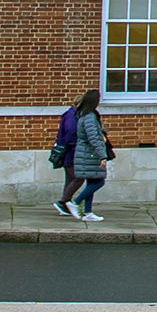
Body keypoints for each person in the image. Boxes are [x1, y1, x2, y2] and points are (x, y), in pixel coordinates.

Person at [63, 90, 113, 222]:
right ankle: (75, 203)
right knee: (99, 182)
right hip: (90, 154)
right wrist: (103, 156)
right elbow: (93, 139)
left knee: (92, 181)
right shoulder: (90, 116)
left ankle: (88, 212)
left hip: (88, 153)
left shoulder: (84, 115)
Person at [52, 100, 83, 214]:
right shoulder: (72, 115)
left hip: (68, 149)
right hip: (70, 150)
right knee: (78, 177)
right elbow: (70, 131)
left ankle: (64, 205)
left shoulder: (70, 113)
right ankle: (62, 201)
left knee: (70, 179)